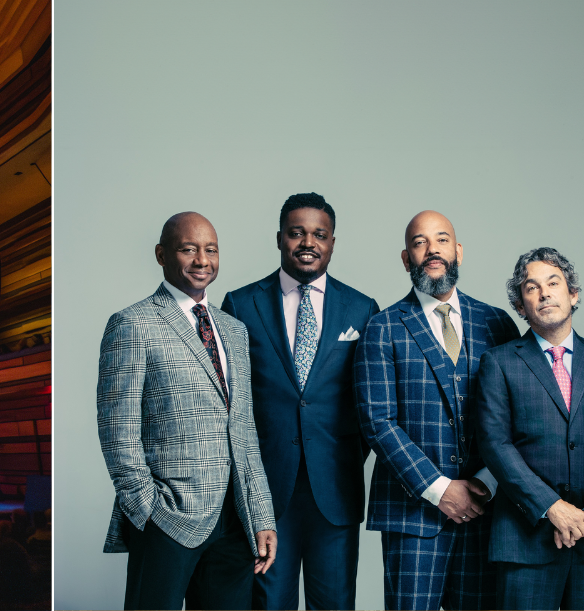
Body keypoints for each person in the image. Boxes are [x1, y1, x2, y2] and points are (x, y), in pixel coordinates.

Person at [97, 211, 276, 610]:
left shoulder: (234, 330)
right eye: (188, 249)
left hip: (234, 521)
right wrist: (147, 509)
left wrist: (261, 515)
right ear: (161, 254)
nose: (202, 260)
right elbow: (116, 429)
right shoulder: (132, 324)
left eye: (210, 250)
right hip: (166, 517)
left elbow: (244, 431)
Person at [220, 192, 379, 610]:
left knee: (335, 604)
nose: (308, 242)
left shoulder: (363, 309)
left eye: (319, 234)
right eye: (297, 233)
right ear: (279, 239)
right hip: (267, 491)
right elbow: (233, 403)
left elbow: (368, 405)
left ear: (331, 243)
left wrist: (342, 455)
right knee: (269, 603)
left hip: (336, 488)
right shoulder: (239, 304)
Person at [355, 210, 520, 610]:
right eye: (419, 242)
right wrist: (440, 489)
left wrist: (486, 482)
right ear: (406, 258)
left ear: (458, 250)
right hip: (412, 514)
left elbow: (517, 417)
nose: (432, 250)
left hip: (486, 510)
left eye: (442, 240)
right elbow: (378, 422)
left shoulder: (497, 323)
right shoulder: (383, 327)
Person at [477, 248, 584, 610]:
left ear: (573, 294)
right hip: (525, 538)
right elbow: (495, 444)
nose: (545, 293)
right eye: (531, 288)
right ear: (521, 305)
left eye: (554, 283)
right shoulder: (499, 362)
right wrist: (552, 507)